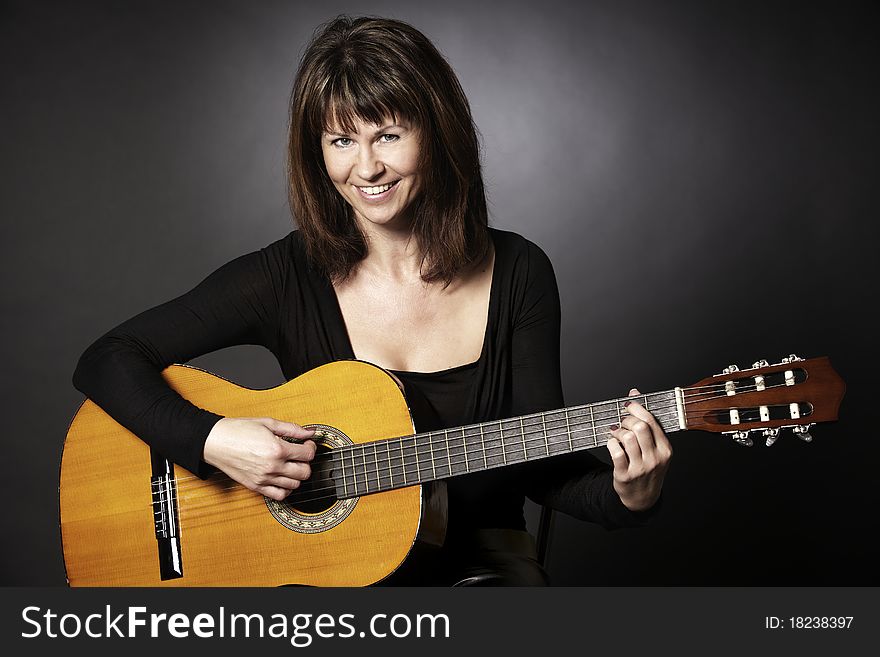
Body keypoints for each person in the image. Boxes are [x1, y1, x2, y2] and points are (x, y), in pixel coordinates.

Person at [72, 14, 672, 585]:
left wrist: (631, 494)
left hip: (480, 565)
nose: (367, 168)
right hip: (327, 577)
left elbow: (543, 468)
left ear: (435, 135)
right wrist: (213, 440)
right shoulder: (287, 276)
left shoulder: (518, 271)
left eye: (388, 134)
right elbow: (107, 357)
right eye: (341, 140)